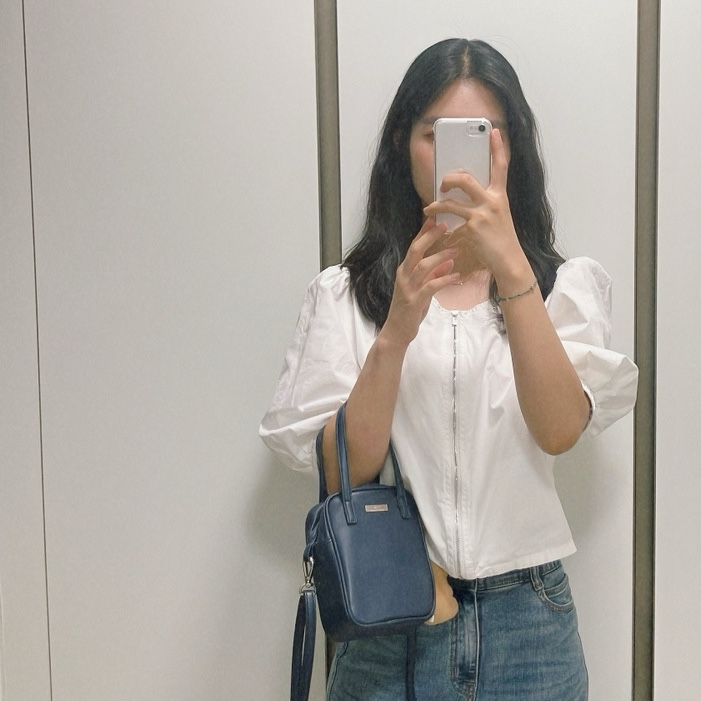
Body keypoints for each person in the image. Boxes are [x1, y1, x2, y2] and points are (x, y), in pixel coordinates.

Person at [260, 38, 638, 701]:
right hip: (390, 613)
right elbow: (339, 470)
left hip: (529, 622)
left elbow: (559, 430)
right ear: (401, 145)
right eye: (433, 135)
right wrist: (396, 330)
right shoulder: (346, 295)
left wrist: (511, 267)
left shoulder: (563, 287)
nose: (455, 158)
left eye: (481, 134)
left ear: (510, 148)